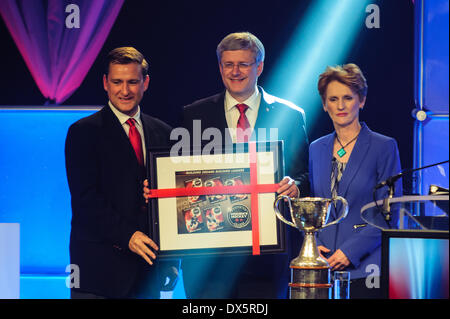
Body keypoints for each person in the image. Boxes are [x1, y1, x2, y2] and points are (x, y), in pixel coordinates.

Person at [179, 32, 310, 298]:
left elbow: (305, 173)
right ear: (220, 67)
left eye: (244, 64)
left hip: (266, 255)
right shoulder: (193, 115)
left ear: (259, 66)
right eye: (228, 64)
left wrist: (295, 186)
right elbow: (182, 179)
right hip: (208, 258)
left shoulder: (291, 116)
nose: (235, 71)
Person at [65, 47, 178, 298]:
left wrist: (171, 259)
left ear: (145, 83)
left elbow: (171, 201)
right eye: (117, 82)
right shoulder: (83, 132)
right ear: (105, 83)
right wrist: (129, 236)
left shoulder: (164, 132)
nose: (124, 90)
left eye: (132, 82)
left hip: (147, 272)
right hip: (97, 275)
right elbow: (86, 201)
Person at [309, 63, 402, 299]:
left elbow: (389, 213)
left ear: (361, 101)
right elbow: (313, 206)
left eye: (348, 98)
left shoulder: (384, 146)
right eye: (333, 99)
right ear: (324, 104)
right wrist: (312, 242)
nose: (340, 106)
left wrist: (350, 252)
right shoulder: (316, 148)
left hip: (367, 269)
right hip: (322, 267)